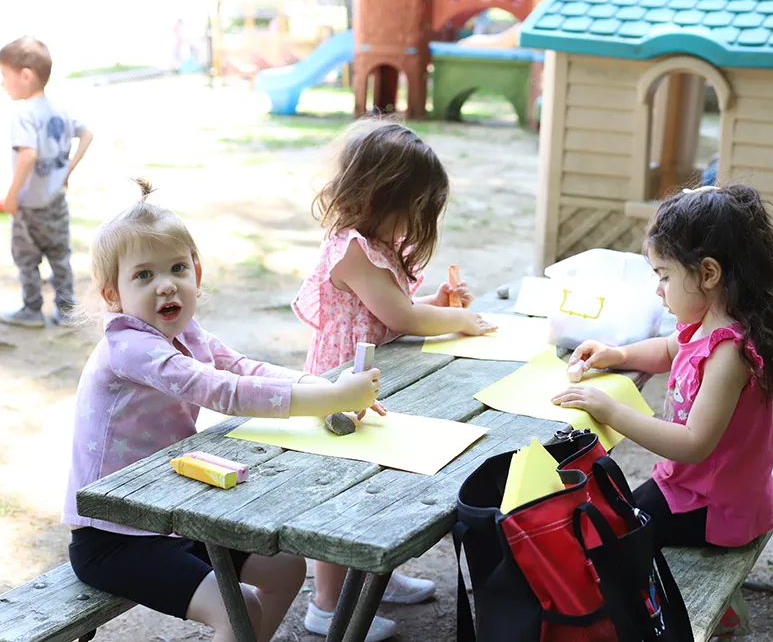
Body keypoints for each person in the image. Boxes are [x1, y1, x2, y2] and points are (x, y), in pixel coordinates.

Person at [64, 179, 383, 642]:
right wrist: (332, 400)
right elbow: (221, 390)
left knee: (284, 566)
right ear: (112, 294)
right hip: (112, 536)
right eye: (143, 275)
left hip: (167, 514)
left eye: (176, 268)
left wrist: (328, 386)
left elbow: (243, 366)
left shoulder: (187, 333)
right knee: (241, 607)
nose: (166, 285)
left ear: (197, 270)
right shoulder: (129, 347)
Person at [553, 184, 773, 636]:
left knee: (610, 532)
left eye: (664, 275)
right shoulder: (707, 323)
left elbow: (693, 445)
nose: (659, 290)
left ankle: (663, 615)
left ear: (707, 273)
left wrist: (609, 409)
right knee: (613, 510)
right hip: (703, 486)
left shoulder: (730, 350)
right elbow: (668, 350)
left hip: (715, 504)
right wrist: (617, 354)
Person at [292, 117, 497, 641]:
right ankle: (327, 603)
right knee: (342, 495)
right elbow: (401, 319)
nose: (416, 221)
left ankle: (376, 579)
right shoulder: (353, 249)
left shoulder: (378, 245)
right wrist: (457, 321)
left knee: (376, 486)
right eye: (414, 207)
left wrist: (440, 304)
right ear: (379, 196)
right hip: (342, 387)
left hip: (373, 382)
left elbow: (398, 308)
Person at [0, 36, 93, 328]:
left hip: (30, 205)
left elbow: (27, 157)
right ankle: (65, 311)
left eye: (5, 76)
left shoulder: (24, 113)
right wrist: (68, 170)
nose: (3, 84)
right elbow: (87, 134)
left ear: (25, 76)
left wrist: (12, 196)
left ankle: (32, 308)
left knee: (26, 258)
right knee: (60, 256)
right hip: (56, 202)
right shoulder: (59, 110)